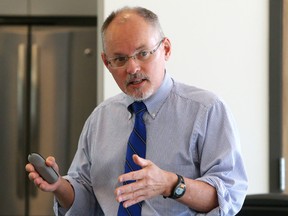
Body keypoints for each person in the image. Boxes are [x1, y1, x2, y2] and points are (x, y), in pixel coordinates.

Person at [26, 6, 248, 216]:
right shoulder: (100, 118)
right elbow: (88, 198)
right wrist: (59, 186)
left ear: (166, 49)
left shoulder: (207, 110)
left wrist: (170, 184)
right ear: (106, 62)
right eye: (120, 59)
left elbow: (228, 196)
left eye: (143, 53)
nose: (132, 68)